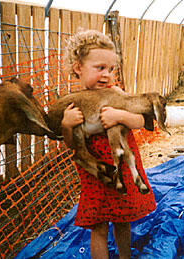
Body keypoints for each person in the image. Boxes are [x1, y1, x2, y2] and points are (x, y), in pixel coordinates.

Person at [60, 29, 156, 259]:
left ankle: (125, 256)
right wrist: (66, 124)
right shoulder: (73, 104)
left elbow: (141, 121)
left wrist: (119, 116)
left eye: (111, 69)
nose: (107, 75)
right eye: (100, 68)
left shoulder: (116, 94)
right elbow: (71, 146)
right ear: (78, 68)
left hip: (122, 167)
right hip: (96, 175)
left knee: (123, 220)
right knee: (99, 226)